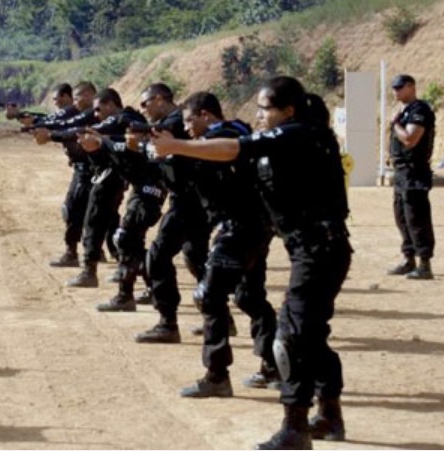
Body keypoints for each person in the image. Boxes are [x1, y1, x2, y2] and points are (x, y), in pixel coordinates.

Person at [152, 76, 351, 449]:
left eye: (265, 109)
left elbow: (235, 148)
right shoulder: (295, 138)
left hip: (319, 249)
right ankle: (328, 413)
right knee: (310, 333)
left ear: (287, 111)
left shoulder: (300, 134)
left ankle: (295, 427)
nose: (258, 115)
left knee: (291, 337)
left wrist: (177, 144)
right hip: (312, 248)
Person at [164, 91, 280, 398]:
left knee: (210, 294)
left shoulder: (228, 133)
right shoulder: (220, 137)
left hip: (241, 227)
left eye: (191, 121)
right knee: (249, 296)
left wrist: (174, 146)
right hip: (252, 227)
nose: (187, 128)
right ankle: (274, 366)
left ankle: (217, 375)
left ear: (206, 115)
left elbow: (223, 147)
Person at [132, 84, 212, 342]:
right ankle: (218, 317)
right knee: (196, 258)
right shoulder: (173, 122)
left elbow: (172, 143)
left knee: (157, 257)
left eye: (145, 104)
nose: (143, 110)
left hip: (187, 201)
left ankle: (167, 322)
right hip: (192, 199)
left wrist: (143, 138)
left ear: (159, 99)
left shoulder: (176, 121)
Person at [78, 89, 164, 311]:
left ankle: (142, 294)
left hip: (150, 190)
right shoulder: (125, 132)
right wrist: (96, 147)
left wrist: (102, 139)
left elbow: (128, 148)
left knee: (128, 239)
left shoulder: (132, 121)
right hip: (141, 189)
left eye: (146, 104)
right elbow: (115, 155)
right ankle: (141, 291)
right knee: (129, 241)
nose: (143, 110)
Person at [33, 83, 122, 287]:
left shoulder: (111, 119)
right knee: (81, 213)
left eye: (78, 97)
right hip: (91, 171)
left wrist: (52, 134)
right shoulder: (80, 114)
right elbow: (71, 128)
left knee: (102, 219)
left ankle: (113, 263)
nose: (74, 102)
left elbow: (77, 130)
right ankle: (88, 257)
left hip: (103, 173)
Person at [8, 83, 89, 267]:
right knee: (87, 212)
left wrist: (33, 123)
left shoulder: (78, 114)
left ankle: (75, 253)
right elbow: (49, 120)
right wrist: (24, 118)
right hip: (84, 168)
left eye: (59, 98)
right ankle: (91, 250)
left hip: (89, 169)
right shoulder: (73, 113)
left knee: (75, 210)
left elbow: (56, 123)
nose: (57, 102)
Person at [386, 74, 436, 280]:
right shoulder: (404, 111)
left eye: (400, 88)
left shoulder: (419, 110)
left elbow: (410, 139)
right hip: (402, 172)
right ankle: (409, 258)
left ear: (411, 87)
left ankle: (424, 263)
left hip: (414, 172)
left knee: (417, 217)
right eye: (394, 89)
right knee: (402, 216)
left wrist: (395, 124)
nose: (396, 92)